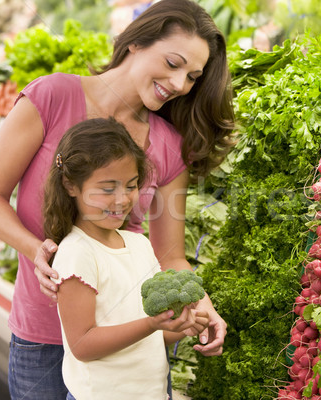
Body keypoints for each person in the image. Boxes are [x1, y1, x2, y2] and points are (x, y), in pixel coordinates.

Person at [0, 0, 234, 398]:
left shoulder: (169, 146)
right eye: (173, 63)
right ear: (136, 43)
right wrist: (36, 250)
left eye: (193, 76)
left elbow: (170, 255)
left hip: (127, 343)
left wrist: (200, 300)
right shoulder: (51, 96)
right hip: (41, 338)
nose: (180, 84)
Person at [43, 117, 207, 400]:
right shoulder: (76, 253)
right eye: (108, 189)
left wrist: (180, 326)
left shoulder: (138, 243)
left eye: (131, 186)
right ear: (71, 185)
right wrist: (152, 324)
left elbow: (149, 339)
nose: (122, 199)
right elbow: (82, 345)